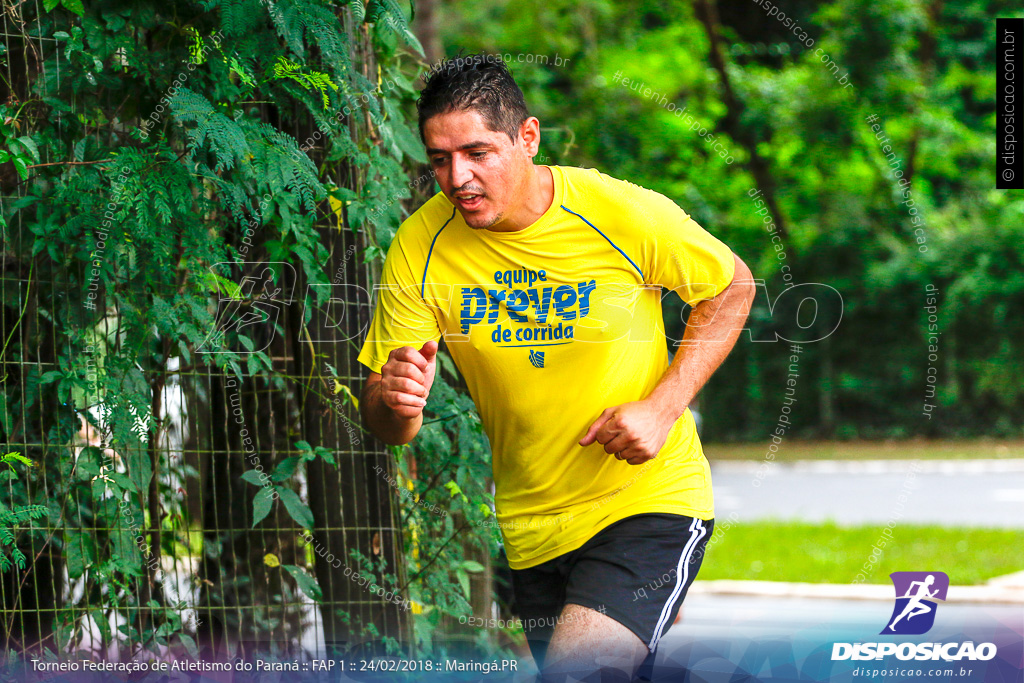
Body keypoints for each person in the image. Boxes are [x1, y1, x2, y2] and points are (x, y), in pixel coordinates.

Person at [357, 52, 754, 682]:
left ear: (528, 137)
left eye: (477, 153)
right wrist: (396, 403)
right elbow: (385, 418)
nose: (456, 177)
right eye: (439, 159)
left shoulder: (619, 213)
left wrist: (661, 407)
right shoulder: (421, 244)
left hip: (647, 500)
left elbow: (731, 287)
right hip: (532, 525)